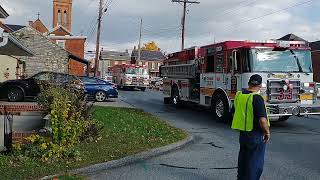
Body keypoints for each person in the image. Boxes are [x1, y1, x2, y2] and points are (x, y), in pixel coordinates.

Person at [232, 74, 270, 180]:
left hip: (243, 134)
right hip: (255, 134)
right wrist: (267, 132)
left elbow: (234, 111)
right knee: (255, 164)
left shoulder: (239, 95)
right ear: (260, 85)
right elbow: (262, 120)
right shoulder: (257, 98)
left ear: (249, 83)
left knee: (243, 161)